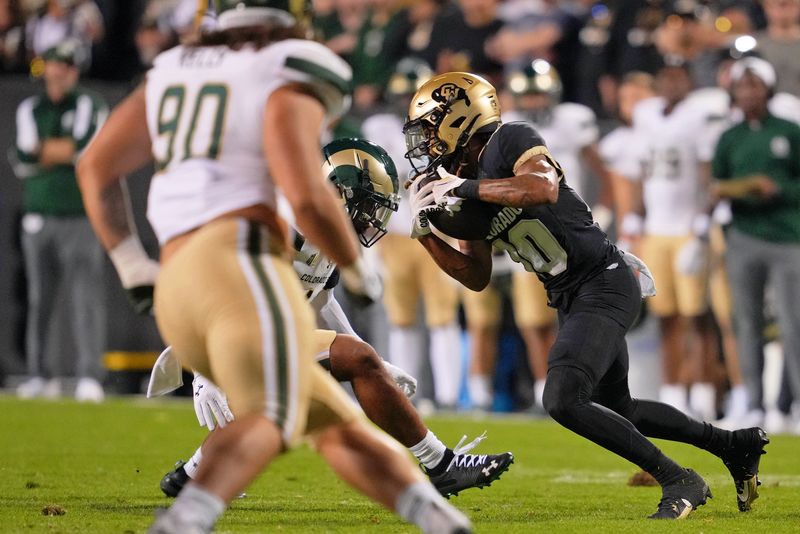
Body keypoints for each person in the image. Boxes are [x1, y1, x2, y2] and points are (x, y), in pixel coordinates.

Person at [76, 2, 472, 533]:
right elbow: (309, 194)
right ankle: (185, 518)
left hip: (177, 283)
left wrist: (130, 264)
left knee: (330, 420)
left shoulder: (172, 67)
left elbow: (96, 167)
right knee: (274, 416)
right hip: (238, 262)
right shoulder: (286, 63)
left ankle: (438, 517)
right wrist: (356, 267)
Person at [402, 71, 768, 519]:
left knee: (562, 397)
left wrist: (464, 190)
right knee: (620, 408)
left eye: (430, 125)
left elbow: (542, 188)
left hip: (603, 280)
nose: (426, 141)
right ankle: (734, 445)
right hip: (570, 294)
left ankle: (679, 478)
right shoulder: (463, 174)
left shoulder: (509, 139)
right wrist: (427, 235)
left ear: (460, 116)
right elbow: (475, 274)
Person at [155, 138, 513, 499]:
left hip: (262, 334)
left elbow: (321, 300)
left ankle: (191, 475)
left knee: (276, 406)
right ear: (340, 194)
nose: (375, 218)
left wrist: (373, 358)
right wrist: (203, 369)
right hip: (220, 333)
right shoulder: (280, 219)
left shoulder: (323, 232)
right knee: (343, 376)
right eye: (369, 205)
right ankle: (441, 464)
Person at [361, 58, 464, 410]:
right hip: (396, 234)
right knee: (401, 319)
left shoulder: (447, 125)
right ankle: (408, 393)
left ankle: (449, 397)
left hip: (438, 229)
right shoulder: (379, 127)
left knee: (444, 317)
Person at [11, 39, 108, 403]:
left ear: (74, 71)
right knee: (39, 299)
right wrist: (63, 150)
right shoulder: (30, 109)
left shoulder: (88, 104)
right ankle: (40, 373)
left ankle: (89, 376)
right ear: (46, 68)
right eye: (56, 64)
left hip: (81, 214)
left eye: (67, 66)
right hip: (38, 213)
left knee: (86, 298)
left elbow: (87, 151)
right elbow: (22, 156)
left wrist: (49, 150)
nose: (61, 72)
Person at [711, 57, 800, 434]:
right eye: (742, 86)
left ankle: (795, 405)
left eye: (754, 85)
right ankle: (754, 404)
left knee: (794, 323)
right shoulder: (729, 138)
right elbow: (715, 187)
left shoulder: (790, 131)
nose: (748, 93)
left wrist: (777, 188)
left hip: (788, 236)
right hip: (743, 236)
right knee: (745, 324)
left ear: (768, 89)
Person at [626, 60, 719, 421]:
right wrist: (635, 218)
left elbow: (707, 173)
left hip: (687, 229)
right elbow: (641, 170)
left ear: (690, 81)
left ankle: (703, 392)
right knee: (665, 317)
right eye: (665, 76)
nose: (671, 82)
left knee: (697, 317)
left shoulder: (700, 115)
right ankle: (673, 392)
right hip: (656, 230)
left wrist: (701, 226)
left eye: (678, 77)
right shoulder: (647, 114)